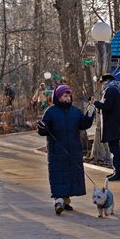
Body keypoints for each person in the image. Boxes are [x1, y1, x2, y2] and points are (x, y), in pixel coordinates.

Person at [37, 85, 95, 215]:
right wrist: (42, 127)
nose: (67, 98)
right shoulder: (50, 112)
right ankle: (58, 201)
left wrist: (90, 113)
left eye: (69, 96)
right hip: (56, 151)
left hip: (73, 149)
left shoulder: (75, 111)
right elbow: (44, 129)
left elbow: (83, 124)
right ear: (58, 97)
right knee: (58, 175)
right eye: (65, 96)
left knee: (70, 175)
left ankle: (66, 200)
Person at [93, 73, 120, 181]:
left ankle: (118, 172)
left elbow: (106, 106)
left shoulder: (110, 90)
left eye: (102, 83)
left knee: (114, 150)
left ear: (106, 81)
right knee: (114, 149)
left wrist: (95, 103)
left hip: (112, 125)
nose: (101, 85)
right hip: (115, 125)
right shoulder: (117, 89)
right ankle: (116, 171)